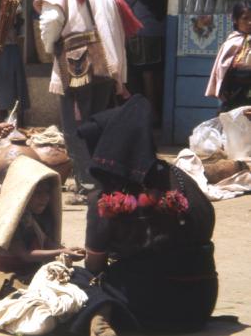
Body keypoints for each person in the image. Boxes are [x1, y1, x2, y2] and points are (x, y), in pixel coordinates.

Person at [67, 95, 218, 336]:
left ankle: (101, 319)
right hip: (199, 305)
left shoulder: (104, 199)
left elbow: (95, 265)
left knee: (78, 278)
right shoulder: (182, 179)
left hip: (146, 308)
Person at [33, 0, 129, 201]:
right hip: (104, 65)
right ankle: (100, 181)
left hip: (76, 66)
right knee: (97, 126)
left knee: (75, 128)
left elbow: (51, 20)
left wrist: (51, 46)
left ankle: (88, 186)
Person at [0, 155, 85, 302]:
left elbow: (47, 243)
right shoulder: (7, 221)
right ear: (24, 194)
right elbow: (26, 255)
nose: (45, 198)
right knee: (26, 295)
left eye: (47, 193)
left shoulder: (36, 218)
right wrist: (61, 251)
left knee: (78, 279)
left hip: (29, 272)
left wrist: (67, 251)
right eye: (38, 193)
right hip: (1, 275)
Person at [125, 0, 167, 127]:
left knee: (145, 75)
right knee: (154, 74)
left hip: (141, 31)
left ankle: (150, 114)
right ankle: (154, 112)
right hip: (158, 31)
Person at [206, 0, 251, 112]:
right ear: (235, 20)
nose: (250, 22)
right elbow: (222, 70)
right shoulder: (231, 43)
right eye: (245, 18)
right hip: (235, 95)